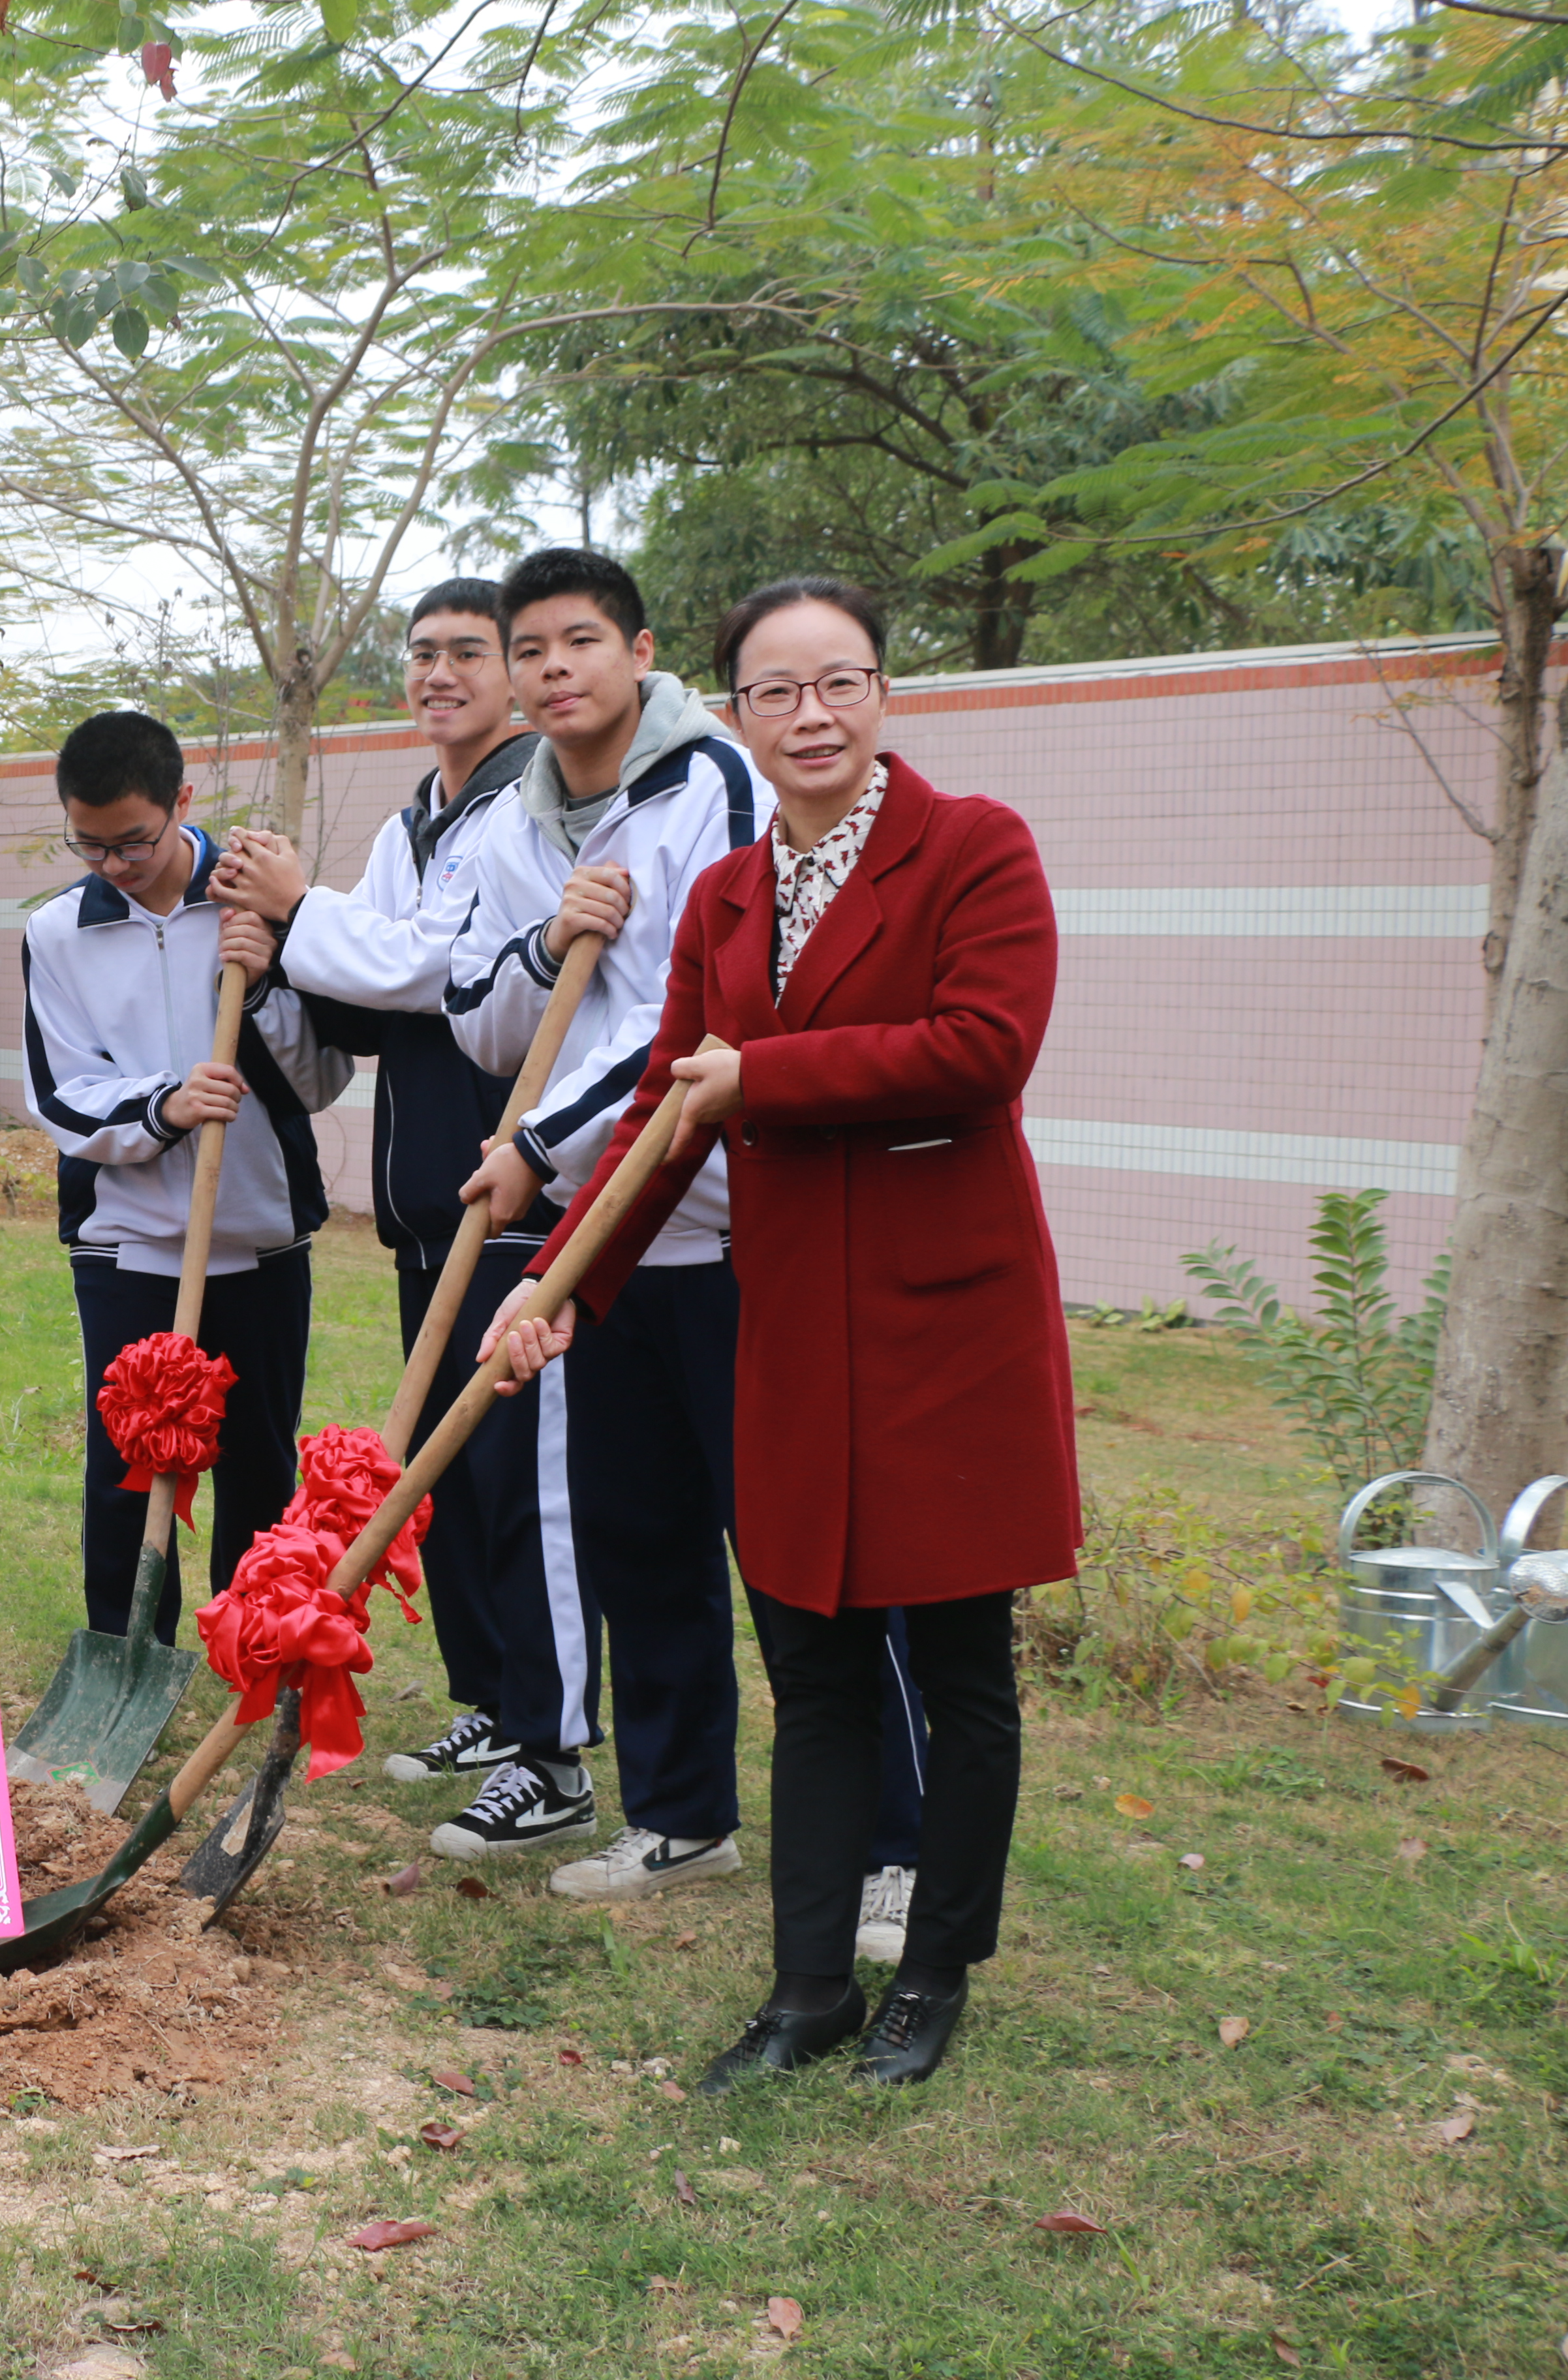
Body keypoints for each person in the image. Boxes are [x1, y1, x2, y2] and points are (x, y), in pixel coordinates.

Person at [486, 575, 1071, 2087]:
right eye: (776, 691)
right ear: (736, 710)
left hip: (947, 1329)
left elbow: (980, 1049)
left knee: (954, 1667)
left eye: (839, 683)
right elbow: (659, 1117)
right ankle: (805, 1989)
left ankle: (932, 1971)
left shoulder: (972, 847)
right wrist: (552, 1285)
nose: (809, 715)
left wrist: (764, 1079)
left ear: (879, 694)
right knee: (807, 1667)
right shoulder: (724, 895)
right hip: (795, 1326)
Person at [433, 547, 762, 1900]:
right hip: (604, 1232)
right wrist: (542, 943)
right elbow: (486, 1023)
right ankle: (683, 1812)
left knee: (778, 1540)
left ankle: (884, 1830)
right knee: (639, 1528)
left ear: (640, 652)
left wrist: (536, 1145)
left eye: (580, 642)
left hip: (732, 1216)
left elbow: (699, 1020)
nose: (553, 668)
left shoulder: (711, 785)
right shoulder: (516, 817)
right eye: (531, 650)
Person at [211, 579, 534, 1762]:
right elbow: (359, 991)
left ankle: (542, 1723)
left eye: (466, 653)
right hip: (419, 1206)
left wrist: (303, 911)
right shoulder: (414, 824)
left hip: (505, 1194)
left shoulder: (528, 809)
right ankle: (488, 1699)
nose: (437, 674)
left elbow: (434, 967)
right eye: (421, 655)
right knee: (437, 1474)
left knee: (505, 1474)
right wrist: (281, 951)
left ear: (515, 670)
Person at [23, 711, 350, 1640]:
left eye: (133, 841)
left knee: (256, 1458)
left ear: (182, 806)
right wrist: (165, 1107)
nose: (113, 865)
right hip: (126, 1244)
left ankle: (254, 1634)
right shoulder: (58, 932)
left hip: (260, 1233)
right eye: (89, 844)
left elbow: (321, 1080)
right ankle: (126, 1641)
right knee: (129, 1455)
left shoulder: (258, 900)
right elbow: (60, 1094)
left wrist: (271, 976)